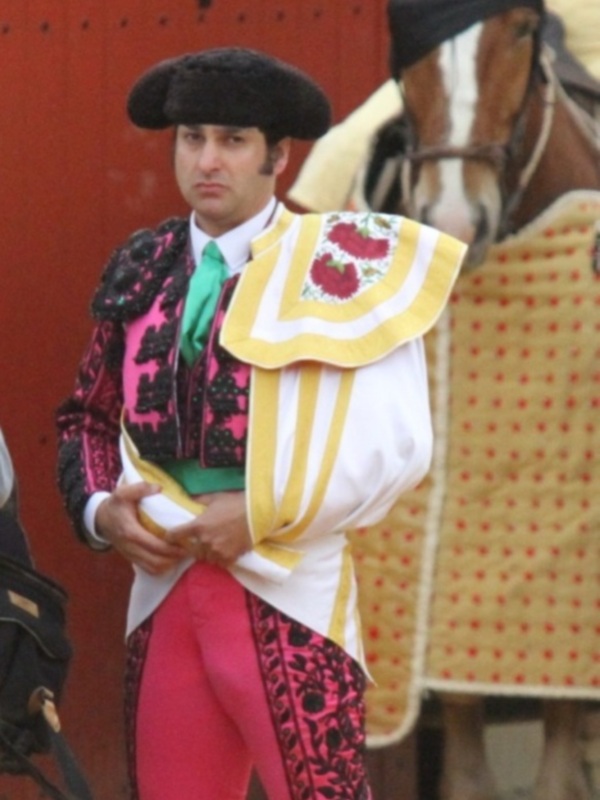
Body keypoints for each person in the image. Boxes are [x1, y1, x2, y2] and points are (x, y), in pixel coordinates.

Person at [56, 47, 466, 800]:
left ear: (278, 156)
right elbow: (87, 416)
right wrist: (102, 511)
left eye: (234, 140)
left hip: (289, 589)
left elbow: (399, 443)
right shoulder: (143, 265)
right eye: (192, 138)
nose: (208, 160)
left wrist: (262, 511)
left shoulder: (342, 266)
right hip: (163, 590)